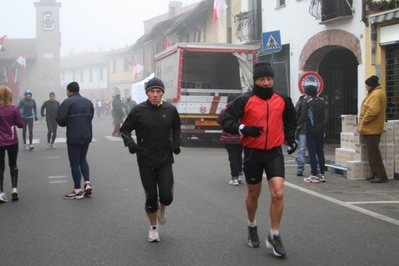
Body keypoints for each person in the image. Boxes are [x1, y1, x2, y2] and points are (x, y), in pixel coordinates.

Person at [222, 62, 297, 257]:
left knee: (278, 194)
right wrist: (243, 129)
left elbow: (290, 119)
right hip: (253, 154)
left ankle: (274, 234)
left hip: (274, 152)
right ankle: (252, 225)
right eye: (262, 79)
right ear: (255, 80)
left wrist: (291, 138)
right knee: (253, 195)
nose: (266, 82)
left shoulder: (282, 99)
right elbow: (225, 120)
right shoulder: (245, 100)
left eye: (269, 79)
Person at [120, 77, 181, 243]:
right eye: (152, 91)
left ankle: (163, 206)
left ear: (162, 93)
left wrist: (176, 143)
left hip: (165, 159)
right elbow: (124, 130)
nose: (155, 95)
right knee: (150, 197)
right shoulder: (138, 110)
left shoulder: (170, 109)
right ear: (147, 93)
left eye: (158, 91)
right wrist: (131, 145)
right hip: (145, 160)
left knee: (167, 196)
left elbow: (176, 127)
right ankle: (153, 228)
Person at [56, 82, 94, 199]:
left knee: (75, 163)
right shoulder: (88, 101)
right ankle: (87, 182)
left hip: (74, 135)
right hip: (86, 134)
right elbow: (91, 115)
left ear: (68, 91)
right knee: (83, 159)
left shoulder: (67, 102)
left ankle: (77, 190)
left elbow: (61, 120)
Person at [358, 75, 388, 183]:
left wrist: (363, 121)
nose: (365, 87)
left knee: (373, 153)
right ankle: (375, 173)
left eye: (366, 85)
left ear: (371, 85)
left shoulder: (376, 94)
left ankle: (380, 174)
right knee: (371, 153)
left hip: (371, 128)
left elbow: (373, 111)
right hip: (371, 128)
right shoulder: (376, 93)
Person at [297, 85, 326, 183]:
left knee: (312, 153)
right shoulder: (322, 101)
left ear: (307, 93)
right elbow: (325, 115)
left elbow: (303, 117)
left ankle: (314, 175)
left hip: (311, 131)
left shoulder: (307, 103)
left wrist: (298, 130)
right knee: (320, 152)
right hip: (321, 131)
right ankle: (322, 174)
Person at [0, 86, 24, 203]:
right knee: (13, 164)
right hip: (12, 140)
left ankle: (0, 192)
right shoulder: (14, 109)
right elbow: (20, 124)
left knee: (0, 167)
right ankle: (14, 188)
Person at [216, 93, 243, 186]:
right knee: (239, 155)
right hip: (241, 137)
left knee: (233, 157)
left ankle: (234, 178)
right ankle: (239, 174)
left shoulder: (225, 110)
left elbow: (219, 120)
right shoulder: (243, 110)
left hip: (228, 137)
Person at [295, 94, 307, 176]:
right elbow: (297, 116)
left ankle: (300, 168)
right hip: (303, 130)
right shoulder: (300, 103)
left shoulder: (314, 102)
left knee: (302, 150)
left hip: (306, 130)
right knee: (302, 150)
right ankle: (300, 168)